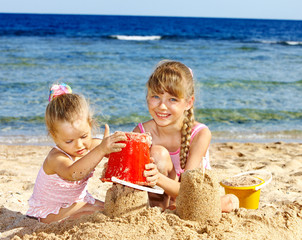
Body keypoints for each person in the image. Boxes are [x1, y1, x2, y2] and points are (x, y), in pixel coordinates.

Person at [133, 60, 238, 212]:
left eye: (172, 99)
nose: (162, 106)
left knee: (229, 201)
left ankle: (177, 208)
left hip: (191, 195)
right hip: (160, 201)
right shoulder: (141, 132)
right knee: (157, 154)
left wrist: (158, 178)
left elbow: (188, 191)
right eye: (155, 96)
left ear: (189, 102)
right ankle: (163, 210)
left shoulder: (200, 134)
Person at [26, 83, 127, 223]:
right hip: (50, 211)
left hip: (78, 200)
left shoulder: (93, 145)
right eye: (69, 141)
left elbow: (119, 153)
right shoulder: (56, 157)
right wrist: (101, 150)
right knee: (96, 215)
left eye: (84, 136)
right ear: (54, 136)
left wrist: (116, 148)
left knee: (111, 209)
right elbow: (73, 173)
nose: (79, 145)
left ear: (90, 126)